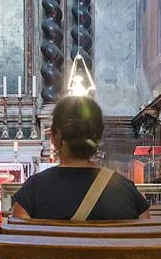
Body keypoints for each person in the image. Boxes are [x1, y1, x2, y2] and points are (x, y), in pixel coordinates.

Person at [11, 95, 151, 223]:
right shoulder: (127, 192)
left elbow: (16, 243)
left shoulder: (33, 192)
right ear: (99, 136)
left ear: (55, 137)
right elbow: (146, 242)